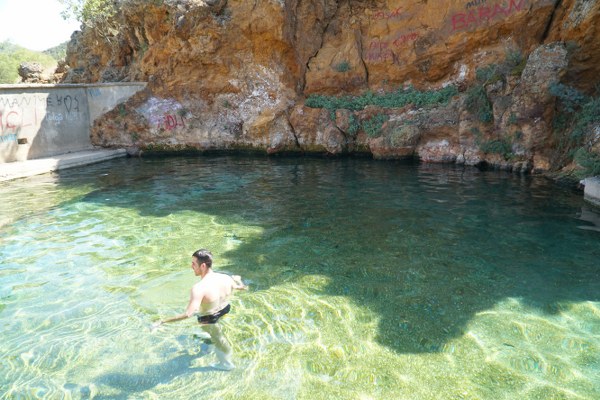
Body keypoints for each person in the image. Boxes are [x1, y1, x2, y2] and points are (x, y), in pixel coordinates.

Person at [153, 249, 247, 371]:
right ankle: (210, 340)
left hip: (208, 318)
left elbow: (188, 314)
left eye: (193, 263)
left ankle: (226, 364)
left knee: (218, 339)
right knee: (215, 334)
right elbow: (240, 288)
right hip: (224, 310)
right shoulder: (226, 278)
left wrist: (162, 321)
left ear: (202, 266)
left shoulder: (198, 288)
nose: (191, 266)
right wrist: (238, 279)